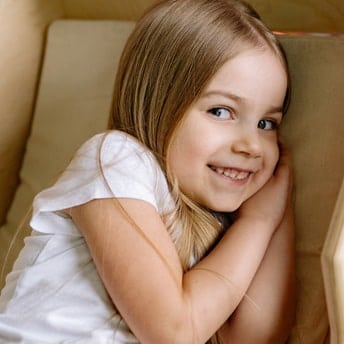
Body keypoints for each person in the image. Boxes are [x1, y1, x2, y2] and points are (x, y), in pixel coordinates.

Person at [0, 0, 295, 342]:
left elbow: (254, 338)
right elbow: (174, 333)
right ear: (159, 100)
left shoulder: (219, 227)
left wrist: (272, 215)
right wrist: (257, 223)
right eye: (220, 111)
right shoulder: (117, 161)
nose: (251, 145)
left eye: (266, 123)